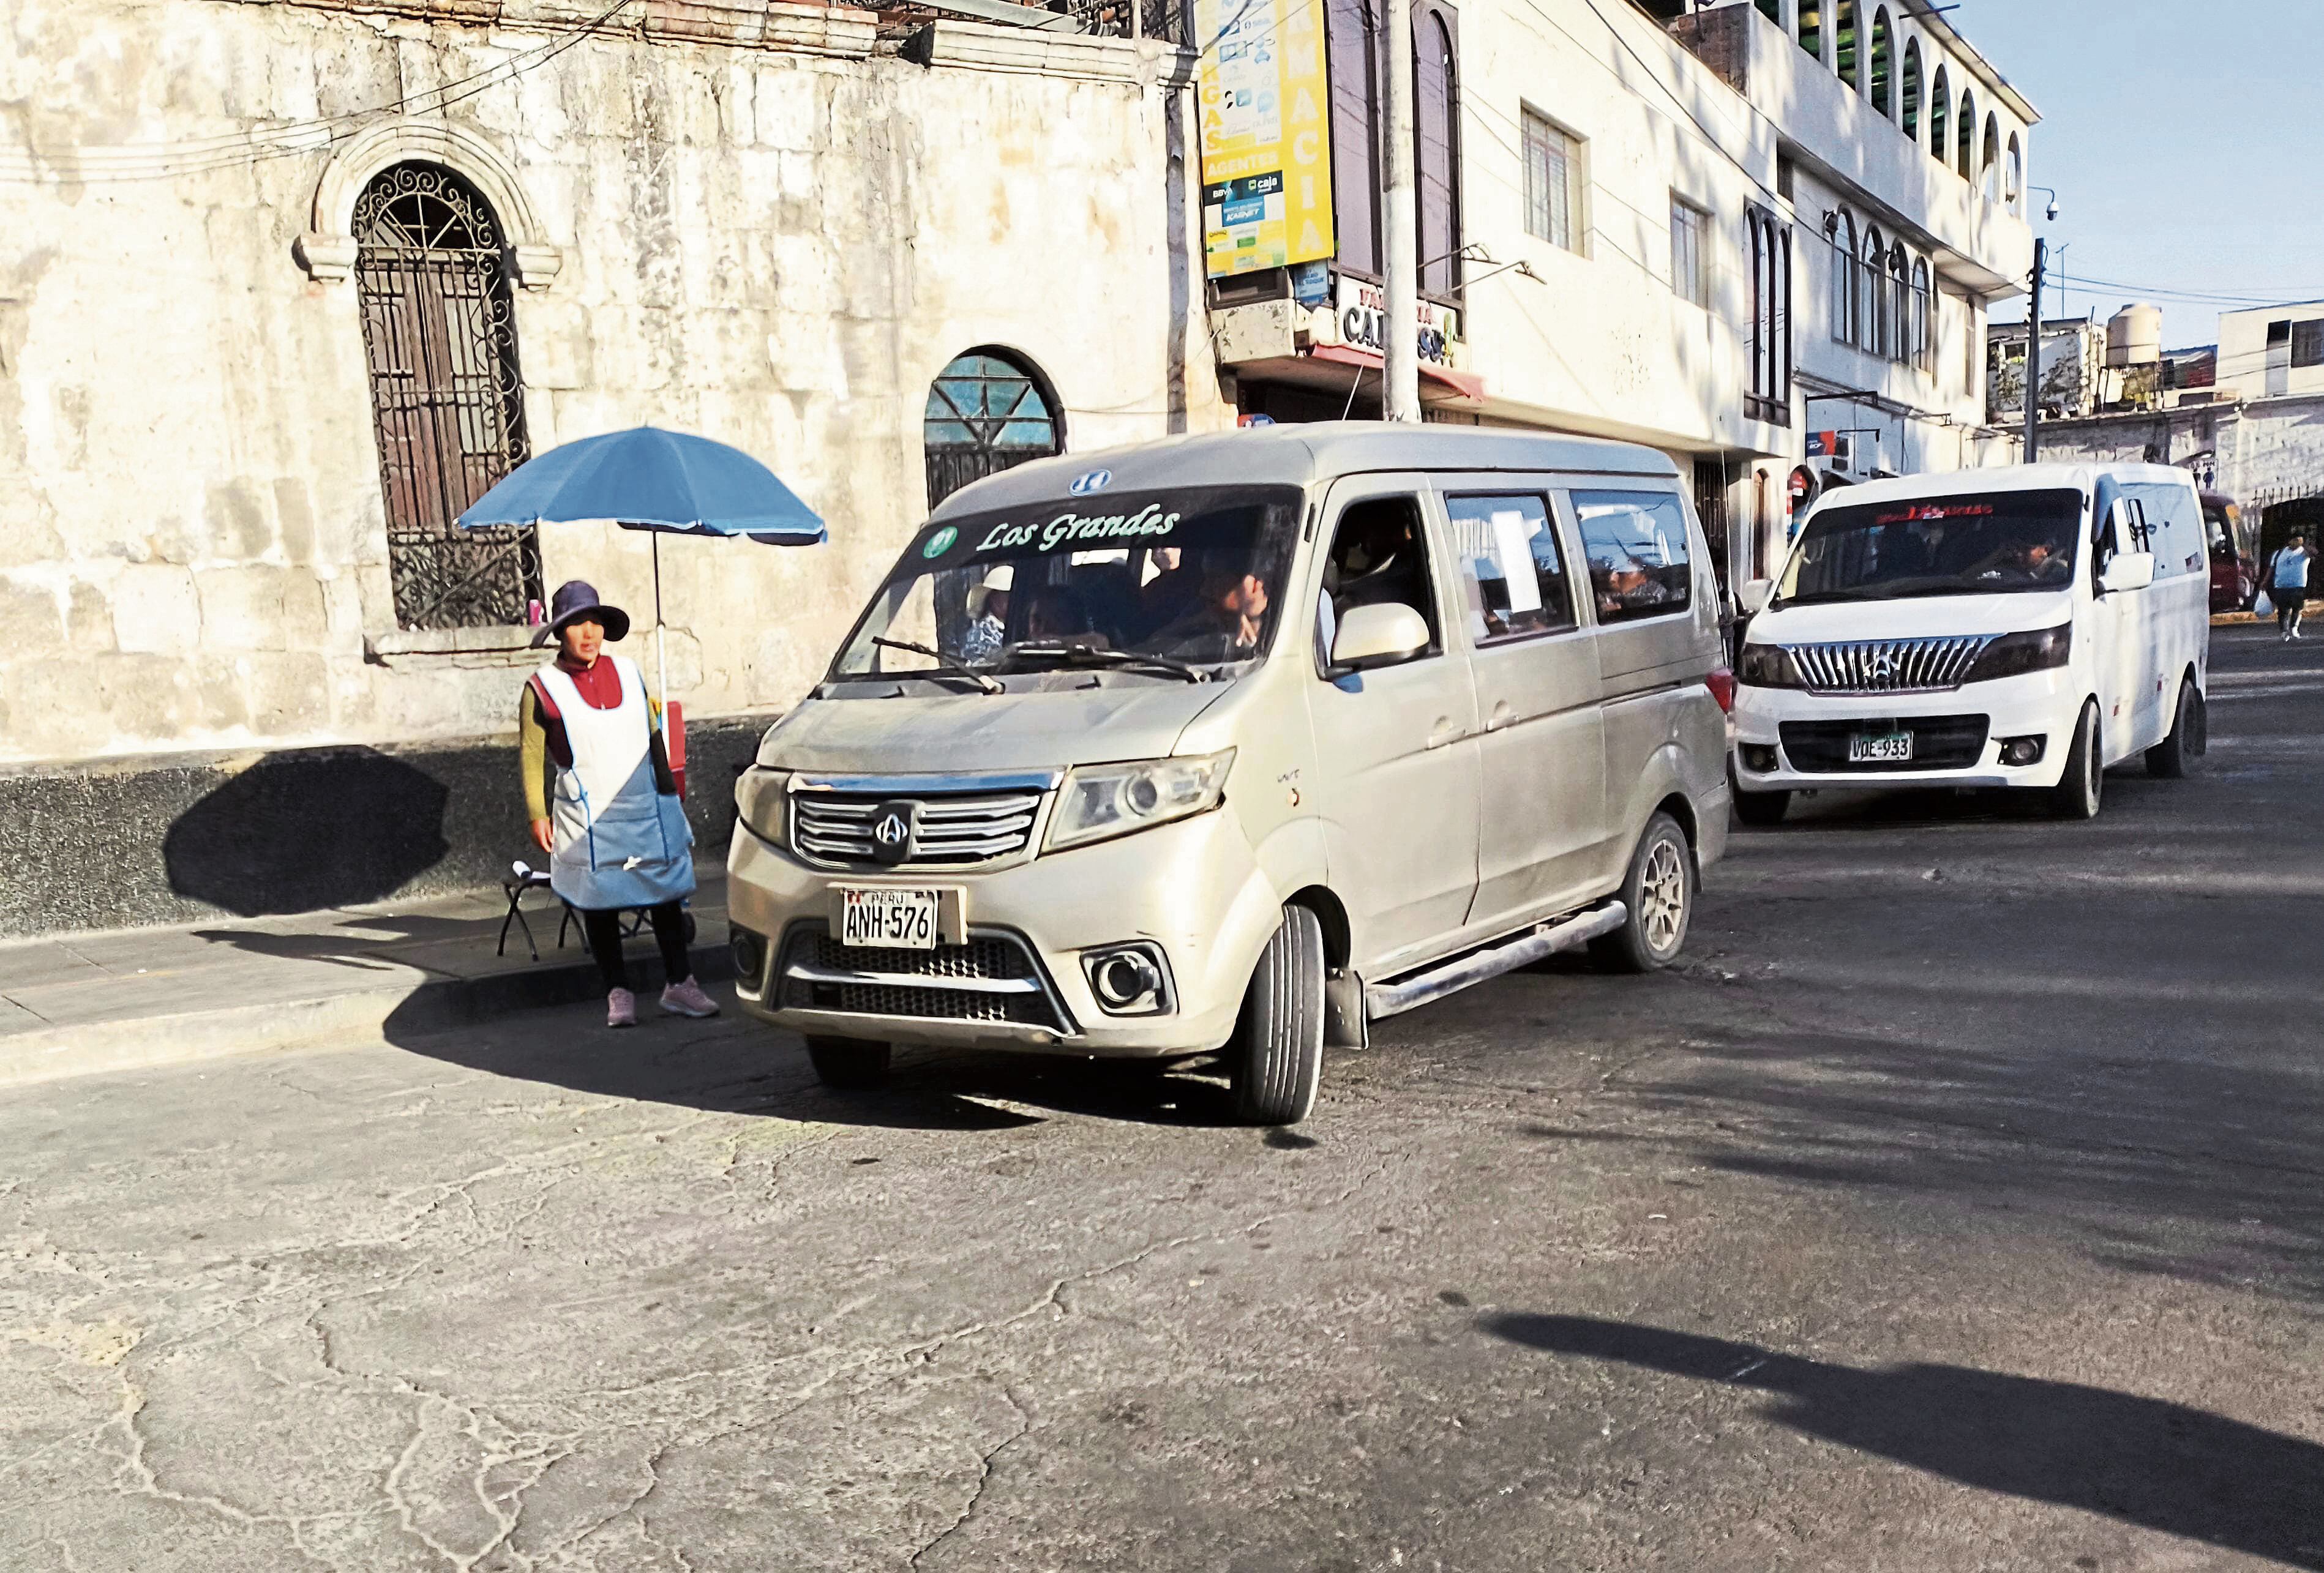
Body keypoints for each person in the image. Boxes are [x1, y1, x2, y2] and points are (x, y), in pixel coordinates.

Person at [520, 580, 721, 1028]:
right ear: (560, 632)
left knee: (665, 893)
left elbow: (653, 737)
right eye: (577, 625)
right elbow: (531, 754)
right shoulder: (543, 687)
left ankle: (680, 983)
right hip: (587, 815)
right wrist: (537, 813)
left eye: (595, 623)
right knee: (601, 899)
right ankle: (618, 991)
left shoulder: (629, 673)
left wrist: (670, 795)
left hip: (644, 805)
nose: (589, 633)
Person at [1153, 554, 1271, 662]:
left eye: (1216, 580)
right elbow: (1155, 647)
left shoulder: (1277, 642)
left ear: (1255, 584)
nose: (1204, 590)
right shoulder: (1201, 614)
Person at [960, 567, 1012, 662]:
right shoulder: (982, 632)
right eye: (1008, 594)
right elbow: (976, 666)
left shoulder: (1020, 626)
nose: (1014, 599)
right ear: (994, 598)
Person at [2268, 531, 2311, 640]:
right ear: (2289, 541)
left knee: (2297, 608)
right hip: (2281, 586)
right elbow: (2271, 568)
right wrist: (2264, 582)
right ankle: (2284, 631)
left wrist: (2306, 545)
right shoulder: (2279, 553)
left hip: (2298, 586)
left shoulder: (2304, 552)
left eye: (2300, 540)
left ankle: (2294, 628)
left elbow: (2315, 552)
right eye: (2295, 540)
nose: (2297, 542)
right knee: (2283, 610)